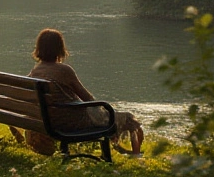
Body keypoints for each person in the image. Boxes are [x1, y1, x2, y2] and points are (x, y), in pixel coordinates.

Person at [23, 28, 145, 157]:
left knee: (108, 115)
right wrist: (102, 110)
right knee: (129, 118)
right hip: (73, 122)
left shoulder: (35, 72)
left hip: (50, 121)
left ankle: (122, 149)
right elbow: (88, 98)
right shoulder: (64, 70)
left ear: (39, 48)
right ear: (60, 49)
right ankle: (136, 156)